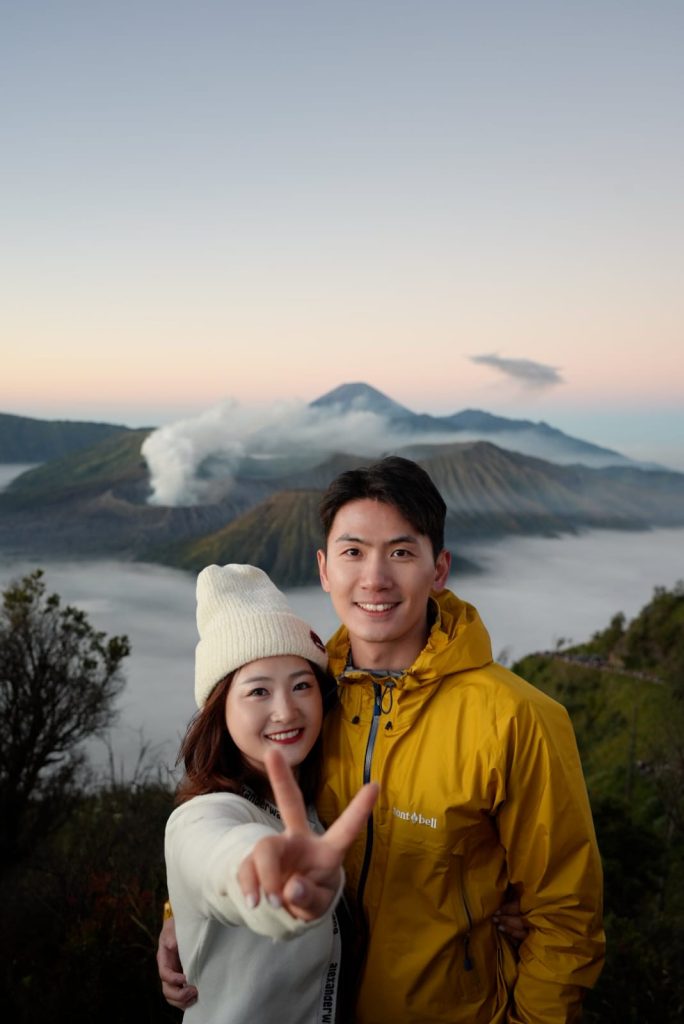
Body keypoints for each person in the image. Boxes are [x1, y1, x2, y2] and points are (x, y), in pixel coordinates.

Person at [161, 456, 605, 1023]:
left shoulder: (516, 719)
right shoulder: (307, 699)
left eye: (400, 552)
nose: (374, 578)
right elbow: (233, 810)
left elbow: (567, 916)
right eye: (352, 552)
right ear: (324, 569)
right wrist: (187, 912)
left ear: (438, 569)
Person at [164, 563, 378, 1023]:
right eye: (258, 691)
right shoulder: (201, 817)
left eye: (302, 685)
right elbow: (218, 856)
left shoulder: (314, 805)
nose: (286, 710)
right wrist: (269, 880)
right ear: (219, 712)